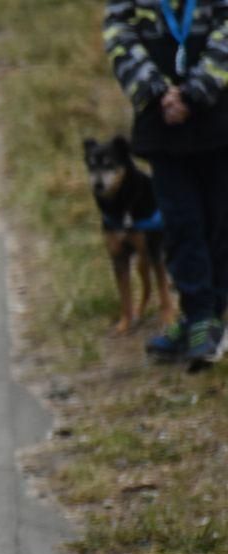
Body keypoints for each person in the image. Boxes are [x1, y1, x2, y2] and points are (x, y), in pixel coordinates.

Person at [103, 0, 228, 368]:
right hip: (161, 126)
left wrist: (195, 92)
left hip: (216, 120)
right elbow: (118, 33)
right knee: (179, 223)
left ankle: (209, 317)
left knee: (218, 224)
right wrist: (157, 92)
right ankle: (196, 315)